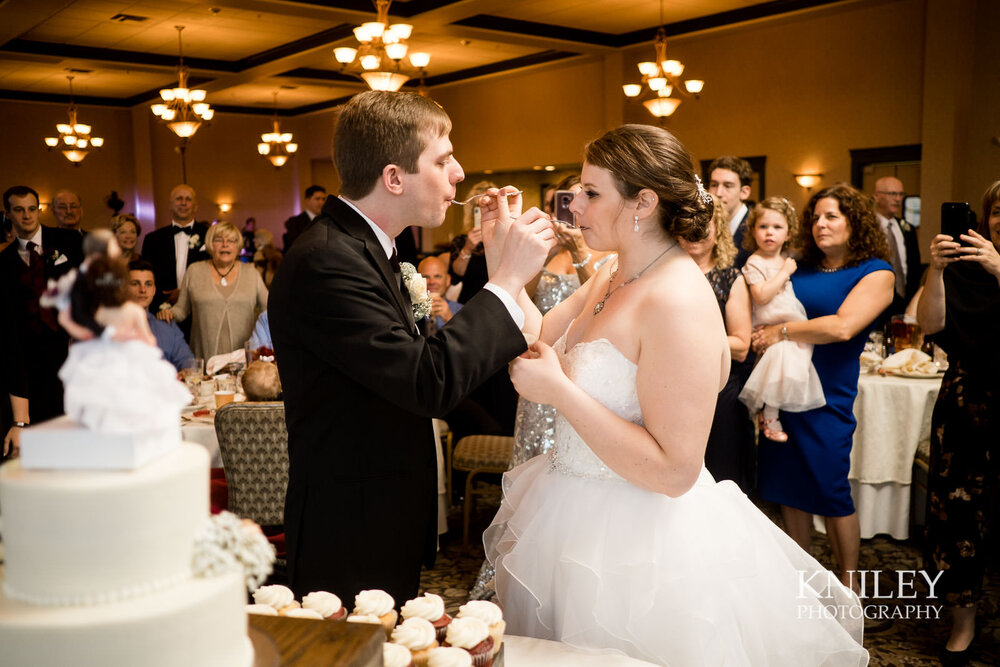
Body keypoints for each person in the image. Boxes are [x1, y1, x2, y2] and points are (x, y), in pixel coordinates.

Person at [483, 125, 866, 665]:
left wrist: (560, 394)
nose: (575, 205)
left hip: (637, 543)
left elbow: (674, 471)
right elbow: (535, 339)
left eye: (592, 193)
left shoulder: (676, 300)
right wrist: (506, 265)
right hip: (565, 510)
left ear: (643, 201)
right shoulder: (615, 271)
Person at [267, 90, 554, 605]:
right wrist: (508, 277)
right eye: (442, 160)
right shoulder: (328, 261)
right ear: (394, 177)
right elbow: (427, 383)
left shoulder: (372, 248)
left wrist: (496, 261)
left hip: (381, 509)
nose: (460, 173)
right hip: (349, 525)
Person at [751, 183, 893, 590]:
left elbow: (843, 326)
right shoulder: (800, 265)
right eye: (815, 217)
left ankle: (849, 587)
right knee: (787, 487)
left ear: (855, 221)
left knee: (831, 489)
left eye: (831, 216)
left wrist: (780, 331)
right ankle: (804, 582)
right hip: (784, 389)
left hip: (829, 394)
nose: (820, 225)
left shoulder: (875, 271)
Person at [917, 180, 1000, 665]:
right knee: (959, 515)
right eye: (995, 210)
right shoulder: (965, 269)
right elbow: (931, 325)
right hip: (966, 400)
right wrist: (936, 271)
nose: (999, 220)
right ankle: (963, 621)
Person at [676, 193, 755, 493]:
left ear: (718, 231)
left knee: (719, 472)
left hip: (718, 388)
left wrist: (684, 339)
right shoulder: (662, 274)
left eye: (704, 225)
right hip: (669, 385)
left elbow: (741, 344)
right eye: (688, 225)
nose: (695, 233)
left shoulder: (731, 278)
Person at [738, 197, 825, 442]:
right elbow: (762, 296)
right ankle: (769, 415)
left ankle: (773, 409)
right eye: (763, 227)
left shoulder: (785, 258)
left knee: (794, 360)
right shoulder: (755, 262)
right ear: (753, 231)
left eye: (777, 227)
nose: (769, 233)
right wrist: (785, 272)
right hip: (770, 320)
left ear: (788, 233)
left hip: (790, 320)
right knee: (778, 360)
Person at [0, 185, 84, 425]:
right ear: (8, 213)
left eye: (31, 209)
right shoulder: (4, 262)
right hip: (29, 359)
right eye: (19, 210)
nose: (27, 215)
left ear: (39, 211)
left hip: (68, 347)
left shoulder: (68, 241)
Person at [158, 221, 268, 360]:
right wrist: (168, 313)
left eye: (231, 241)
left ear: (238, 246)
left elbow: (268, 310)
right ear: (210, 244)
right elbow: (181, 309)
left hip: (242, 360)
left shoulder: (251, 273)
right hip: (204, 358)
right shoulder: (194, 271)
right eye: (219, 240)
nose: (225, 244)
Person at [140, 184, 210, 308]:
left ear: (195, 207)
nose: (183, 203)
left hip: (201, 308)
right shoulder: (152, 239)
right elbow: (146, 276)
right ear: (170, 206)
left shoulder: (209, 236)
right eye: (179, 199)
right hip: (162, 307)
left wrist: (185, 294)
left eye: (188, 199)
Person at [126, 259, 195, 372]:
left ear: (154, 290)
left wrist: (186, 373)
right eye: (135, 284)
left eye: (148, 284)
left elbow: (188, 363)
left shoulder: (167, 327)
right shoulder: (110, 327)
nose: (143, 290)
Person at [873, 176, 922, 322]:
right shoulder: (867, 228)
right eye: (892, 194)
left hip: (906, 301)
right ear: (876, 196)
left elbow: (914, 266)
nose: (898, 199)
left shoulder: (908, 228)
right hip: (877, 301)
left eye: (901, 194)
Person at [449, 180, 495, 304]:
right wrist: (468, 248)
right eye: (479, 208)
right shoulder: (462, 240)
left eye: (488, 207)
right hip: (468, 302)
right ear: (472, 212)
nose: (484, 211)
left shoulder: (504, 238)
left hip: (497, 302)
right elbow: (456, 276)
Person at [707, 155, 754, 268]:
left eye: (727, 186)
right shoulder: (705, 224)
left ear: (744, 192)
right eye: (714, 185)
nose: (718, 193)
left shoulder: (756, 227)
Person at [417, 255, 461, 334]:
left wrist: (449, 319)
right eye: (426, 277)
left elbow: (469, 342)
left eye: (437, 276)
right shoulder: (408, 311)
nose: (432, 282)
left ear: (447, 280)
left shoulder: (461, 311)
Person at [282, 185, 326, 251]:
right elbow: (294, 247)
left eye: (323, 199)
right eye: (317, 199)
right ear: (307, 200)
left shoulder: (326, 220)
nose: (321, 202)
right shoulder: (294, 222)